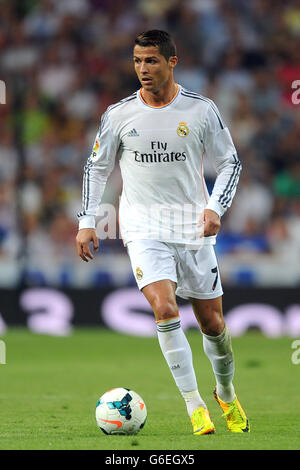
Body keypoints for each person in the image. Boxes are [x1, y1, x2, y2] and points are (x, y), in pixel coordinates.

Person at [76, 30, 249, 435]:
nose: (142, 69)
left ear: (172, 62)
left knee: (213, 325)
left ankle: (225, 392)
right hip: (143, 227)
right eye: (137, 60)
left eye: (151, 60)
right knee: (166, 310)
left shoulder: (201, 110)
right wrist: (87, 222)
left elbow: (231, 163)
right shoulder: (119, 114)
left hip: (193, 228)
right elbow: (96, 168)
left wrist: (215, 207)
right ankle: (195, 406)